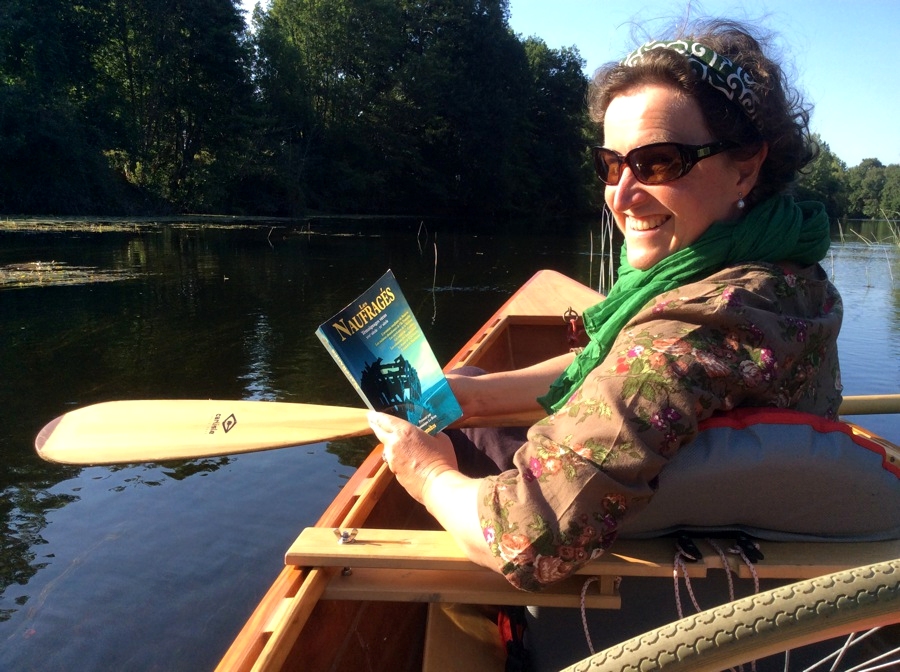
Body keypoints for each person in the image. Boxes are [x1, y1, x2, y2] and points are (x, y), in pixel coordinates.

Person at [368, 19, 843, 593]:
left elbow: (526, 537)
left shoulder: (689, 330)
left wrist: (427, 471)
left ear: (745, 166)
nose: (621, 195)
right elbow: (611, 364)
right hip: (732, 529)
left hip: (653, 585)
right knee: (466, 381)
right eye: (611, 164)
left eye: (660, 162)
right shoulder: (788, 273)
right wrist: (473, 395)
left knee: (460, 445)